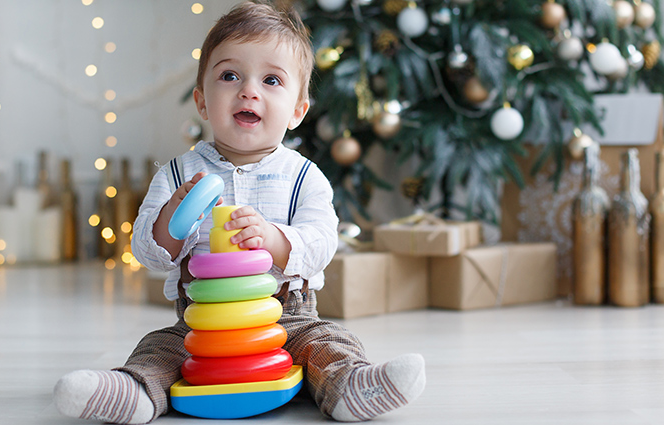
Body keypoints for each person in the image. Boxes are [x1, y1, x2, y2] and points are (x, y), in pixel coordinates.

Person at [53, 2, 425, 423]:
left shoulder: (303, 176)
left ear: (298, 111)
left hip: (287, 316)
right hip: (201, 322)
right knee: (160, 348)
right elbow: (148, 252)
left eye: (271, 80)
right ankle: (133, 390)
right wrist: (173, 217)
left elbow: (322, 243)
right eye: (230, 75)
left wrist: (273, 239)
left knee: (328, 342)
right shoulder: (179, 174)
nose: (249, 90)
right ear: (202, 101)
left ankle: (352, 386)